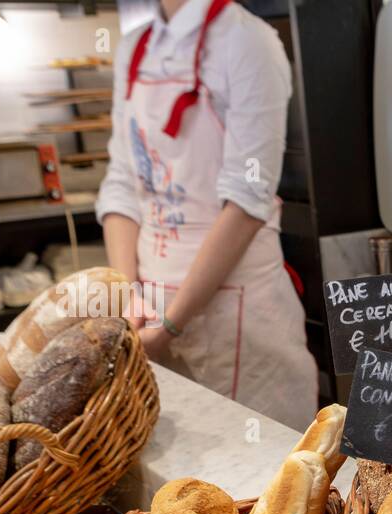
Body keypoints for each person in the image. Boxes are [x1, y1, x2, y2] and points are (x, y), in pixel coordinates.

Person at [97, 0, 318, 430]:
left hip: (238, 318)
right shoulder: (134, 47)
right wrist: (128, 297)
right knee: (178, 483)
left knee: (259, 476)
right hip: (148, 310)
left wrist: (171, 326)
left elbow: (247, 198)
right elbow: (122, 183)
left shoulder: (248, 41)